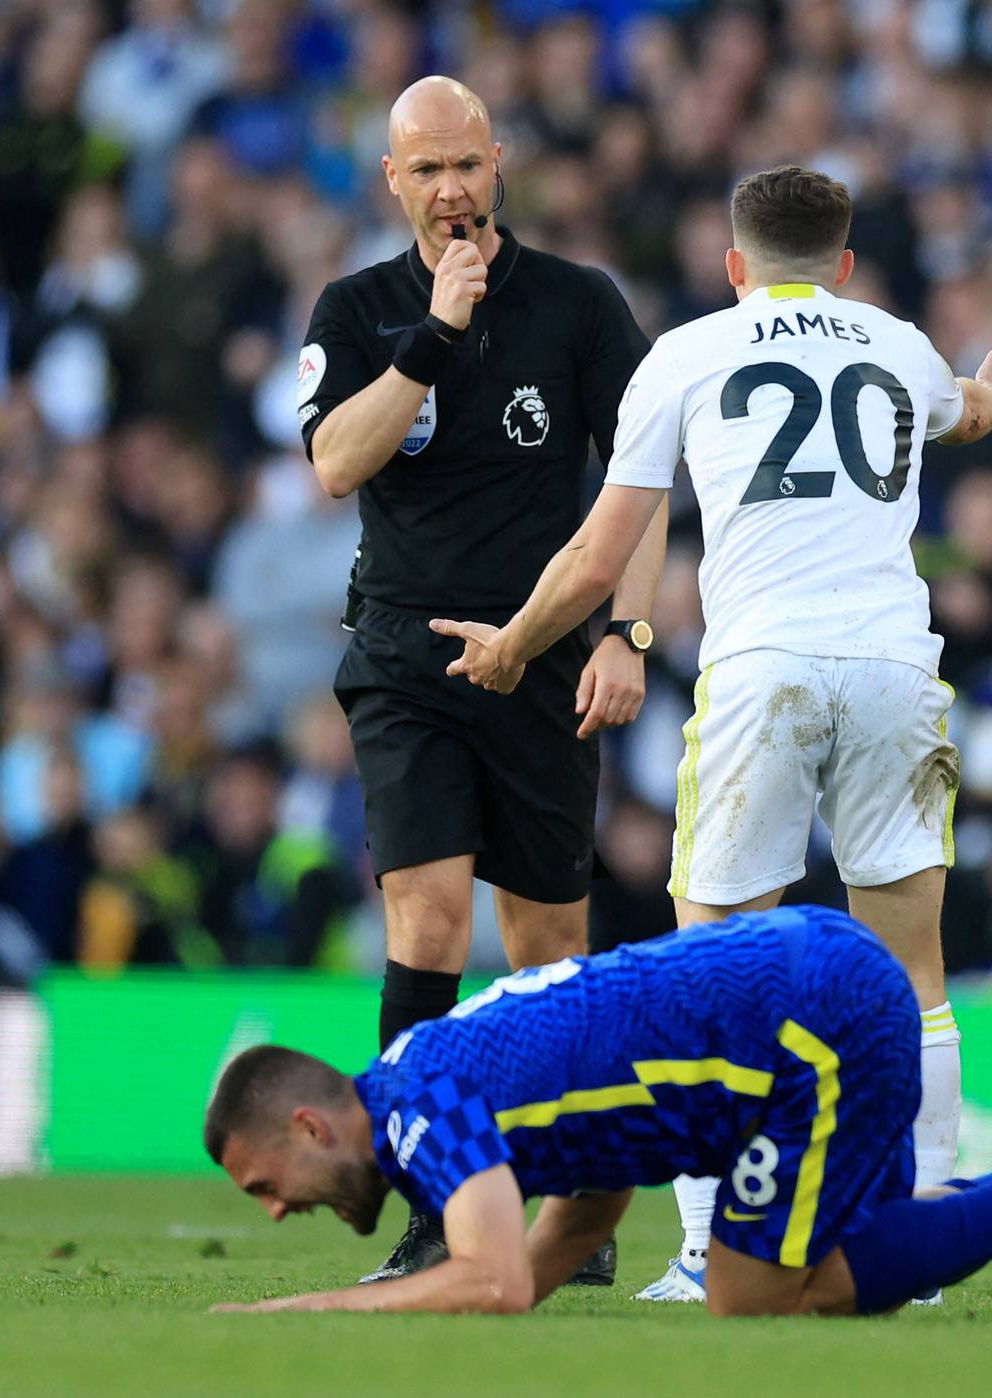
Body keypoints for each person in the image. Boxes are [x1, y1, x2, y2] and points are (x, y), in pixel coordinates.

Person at [429, 165, 992, 1300]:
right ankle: (923, 1241)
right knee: (915, 969)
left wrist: (514, 643)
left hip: (764, 674)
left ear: (733, 265)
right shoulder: (897, 344)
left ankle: (711, 1243)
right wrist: (987, 404)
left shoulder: (690, 354)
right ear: (846, 265)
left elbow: (600, 557)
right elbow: (962, 407)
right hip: (896, 668)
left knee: (709, 966)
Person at [293, 75, 664, 1284]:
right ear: (390, 182)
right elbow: (335, 466)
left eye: (468, 165)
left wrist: (628, 635)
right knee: (428, 921)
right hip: (404, 654)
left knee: (549, 944)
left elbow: (646, 479)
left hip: (548, 657)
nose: (452, 191)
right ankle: (434, 1195)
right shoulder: (357, 309)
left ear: (500, 162)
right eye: (427, 171)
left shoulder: (579, 303)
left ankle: (567, 1206)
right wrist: (433, 341)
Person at [204, 905, 992, 1322]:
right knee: (844, 1249)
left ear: (309, 1128)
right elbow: (587, 1207)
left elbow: (491, 1276)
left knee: (754, 1295)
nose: (276, 1210)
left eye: (263, 1187)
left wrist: (320, 1309)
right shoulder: (420, 1077)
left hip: (813, 1022)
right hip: (803, 985)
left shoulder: (417, 1113)